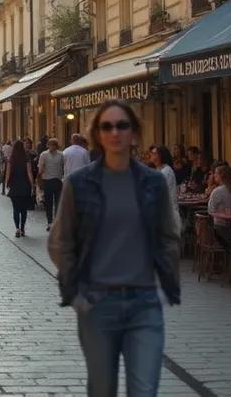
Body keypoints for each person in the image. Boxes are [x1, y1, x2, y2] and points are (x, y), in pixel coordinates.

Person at [48, 100, 180, 397]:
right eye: (107, 126)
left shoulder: (153, 182)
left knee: (144, 390)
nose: (115, 132)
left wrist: (163, 284)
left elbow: (169, 235)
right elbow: (60, 241)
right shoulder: (79, 184)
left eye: (123, 125)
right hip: (98, 303)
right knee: (103, 388)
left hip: (144, 303)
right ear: (98, 134)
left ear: (134, 133)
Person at [207, 166, 231, 249]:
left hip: (221, 228)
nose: (214, 175)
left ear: (221, 176)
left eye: (216, 173)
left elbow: (210, 210)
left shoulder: (218, 191)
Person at [5, 140, 35, 237]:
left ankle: (17, 228)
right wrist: (32, 185)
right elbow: (29, 173)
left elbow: (8, 173)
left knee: (16, 209)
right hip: (25, 186)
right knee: (24, 209)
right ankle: (22, 229)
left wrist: (7, 184)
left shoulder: (11, 159)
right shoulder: (26, 158)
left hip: (14, 186)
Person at [37, 138, 66, 230]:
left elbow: (63, 166)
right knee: (49, 202)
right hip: (47, 180)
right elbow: (40, 169)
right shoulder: (43, 155)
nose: (51, 147)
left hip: (57, 180)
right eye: (50, 145)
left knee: (58, 202)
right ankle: (49, 222)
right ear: (48, 145)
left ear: (56, 146)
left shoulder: (61, 155)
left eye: (53, 145)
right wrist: (39, 180)